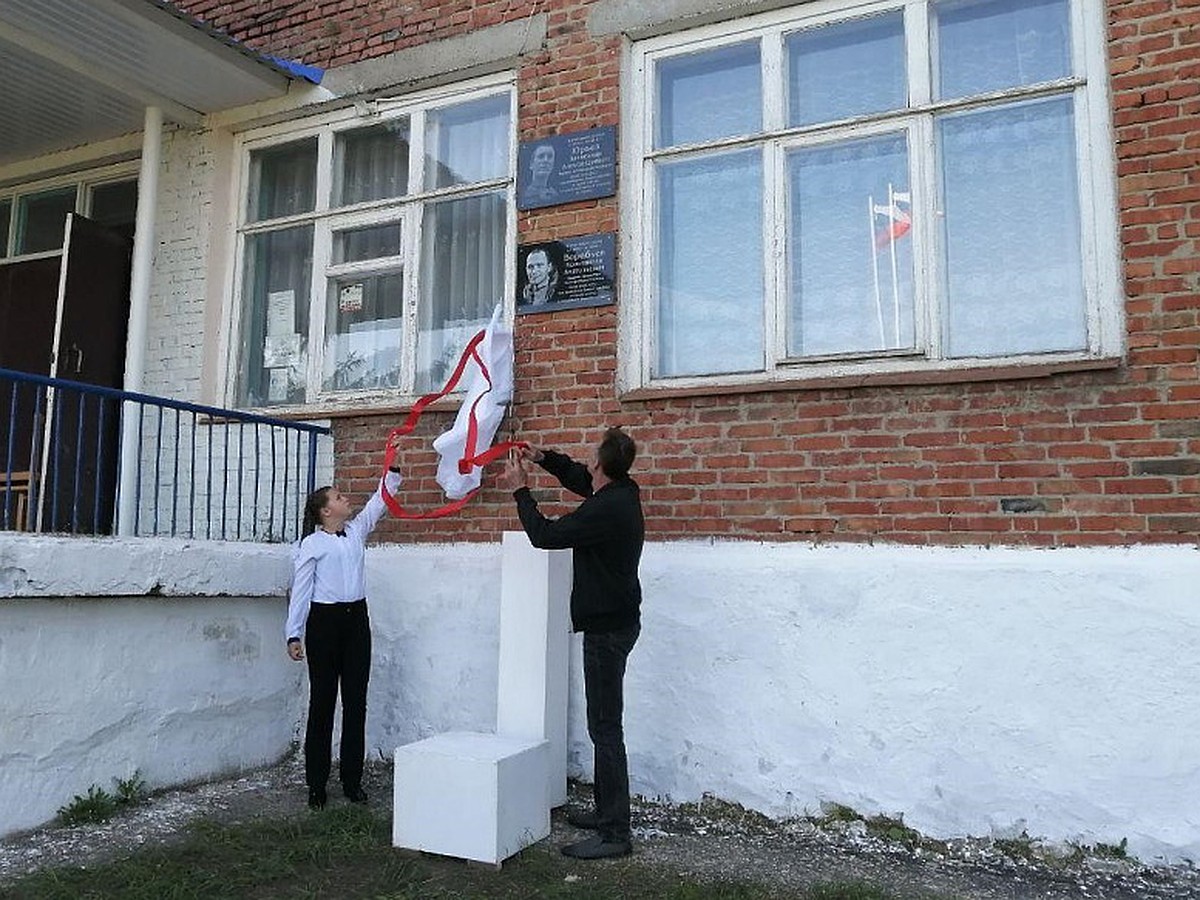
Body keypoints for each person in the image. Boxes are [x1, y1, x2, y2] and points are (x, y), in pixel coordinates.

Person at [501, 427, 644, 860]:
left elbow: (545, 536)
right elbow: (582, 480)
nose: (586, 464)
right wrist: (544, 458)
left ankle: (615, 832)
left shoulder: (607, 511)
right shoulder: (620, 491)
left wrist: (521, 491)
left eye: (590, 458)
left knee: (605, 728)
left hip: (607, 630)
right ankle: (607, 814)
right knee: (604, 726)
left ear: (602, 465)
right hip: (615, 623)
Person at [286, 434, 403, 810]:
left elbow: (380, 501)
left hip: (356, 622)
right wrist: (294, 632)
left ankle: (352, 780)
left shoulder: (356, 531)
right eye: (337, 497)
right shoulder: (312, 545)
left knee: (357, 702)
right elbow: (301, 591)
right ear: (324, 511)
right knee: (323, 703)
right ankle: (316, 784)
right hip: (324, 624)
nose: (344, 499)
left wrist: (393, 464)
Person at [522, 142, 558, 206]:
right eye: (541, 156)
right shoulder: (524, 194)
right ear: (531, 164)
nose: (545, 160)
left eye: (549, 157)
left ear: (553, 164)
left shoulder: (555, 194)